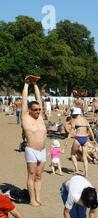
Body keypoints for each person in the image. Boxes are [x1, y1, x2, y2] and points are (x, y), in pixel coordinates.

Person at [21, 75, 47, 207]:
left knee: (39, 175)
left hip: (42, 150)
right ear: (30, 111)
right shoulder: (25, 117)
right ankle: (32, 200)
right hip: (31, 149)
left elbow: (39, 100)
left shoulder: (40, 118)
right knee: (31, 174)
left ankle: (38, 197)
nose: (38, 111)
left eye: (39, 109)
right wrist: (26, 84)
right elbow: (25, 100)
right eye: (35, 110)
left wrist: (35, 84)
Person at [69, 107, 96, 177]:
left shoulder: (74, 120)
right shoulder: (85, 120)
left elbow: (72, 131)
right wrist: (93, 139)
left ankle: (77, 170)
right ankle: (86, 174)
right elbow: (90, 131)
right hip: (85, 138)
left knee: (72, 154)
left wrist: (67, 139)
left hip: (78, 138)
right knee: (84, 157)